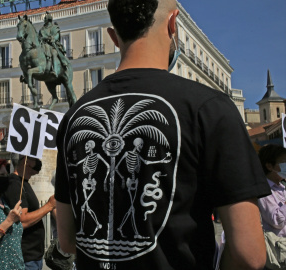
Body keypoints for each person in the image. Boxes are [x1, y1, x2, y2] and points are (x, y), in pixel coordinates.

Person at [54, 0, 271, 269]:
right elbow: (248, 254)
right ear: (173, 24)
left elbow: (67, 241)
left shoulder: (74, 117)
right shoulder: (210, 108)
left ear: (113, 36)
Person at [3, 154, 56, 270]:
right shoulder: (14, 183)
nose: (38, 160)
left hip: (34, 256)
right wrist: (48, 206)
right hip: (26, 256)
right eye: (34, 158)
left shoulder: (24, 182)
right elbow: (22, 220)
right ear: (25, 161)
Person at [258, 145, 286, 236]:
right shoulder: (264, 191)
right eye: (284, 162)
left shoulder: (281, 187)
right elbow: (277, 221)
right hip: (279, 246)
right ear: (269, 166)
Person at [38, 11, 69, 77]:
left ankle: (55, 70)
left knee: (54, 53)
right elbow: (39, 38)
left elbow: (56, 37)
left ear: (48, 19)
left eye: (45, 19)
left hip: (53, 45)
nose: (44, 20)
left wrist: (50, 38)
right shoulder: (42, 30)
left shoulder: (55, 27)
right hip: (43, 45)